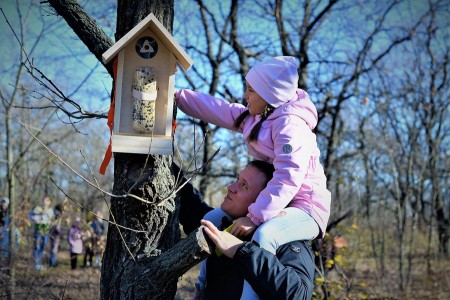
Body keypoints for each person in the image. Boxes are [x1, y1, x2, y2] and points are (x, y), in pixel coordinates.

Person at [176, 56, 331, 297]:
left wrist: (254, 217)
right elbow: (220, 110)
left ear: (270, 96)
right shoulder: (258, 118)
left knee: (265, 233)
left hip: (306, 207)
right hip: (276, 201)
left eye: (251, 90)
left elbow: (288, 177)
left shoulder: (291, 126)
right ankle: (202, 287)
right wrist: (175, 96)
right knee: (212, 218)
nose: (245, 95)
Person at [176, 161, 315, 300]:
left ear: (265, 202)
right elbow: (191, 205)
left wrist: (241, 251)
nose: (230, 187)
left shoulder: (285, 241)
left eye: (244, 185)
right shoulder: (225, 227)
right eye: (237, 179)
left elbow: (298, 295)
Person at [29, 196, 55, 271]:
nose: (45, 201)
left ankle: (40, 264)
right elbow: (31, 216)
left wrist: (48, 221)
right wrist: (39, 218)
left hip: (46, 231)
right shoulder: (37, 208)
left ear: (50, 202)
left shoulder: (50, 210)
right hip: (38, 230)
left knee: (43, 246)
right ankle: (36, 264)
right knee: (37, 246)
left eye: (47, 200)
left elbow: (51, 221)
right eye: (44, 200)